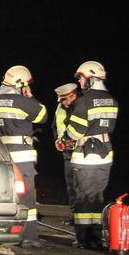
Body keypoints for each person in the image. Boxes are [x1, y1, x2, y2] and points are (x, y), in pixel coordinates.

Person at [0, 66, 48, 245]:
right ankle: (28, 236)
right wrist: (30, 96)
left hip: (0, 155)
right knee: (26, 196)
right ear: (21, 84)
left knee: (1, 193)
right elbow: (42, 116)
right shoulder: (24, 102)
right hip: (21, 155)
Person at [66, 61, 119, 249]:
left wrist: (65, 138)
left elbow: (75, 131)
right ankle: (95, 238)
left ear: (90, 78)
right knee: (97, 197)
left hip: (85, 155)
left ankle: (83, 239)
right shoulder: (111, 100)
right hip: (105, 153)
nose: (80, 82)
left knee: (82, 198)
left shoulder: (84, 101)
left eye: (81, 78)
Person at [52, 82, 80, 221]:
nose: (62, 102)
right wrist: (58, 141)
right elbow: (55, 126)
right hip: (68, 152)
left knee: (83, 185)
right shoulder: (60, 108)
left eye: (64, 99)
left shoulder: (82, 106)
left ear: (73, 96)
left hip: (83, 152)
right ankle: (75, 216)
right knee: (71, 186)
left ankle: (85, 219)